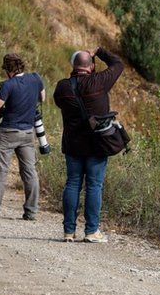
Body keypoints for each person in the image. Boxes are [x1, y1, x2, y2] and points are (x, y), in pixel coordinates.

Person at [53, 46, 124, 243]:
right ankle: (92, 231)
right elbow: (118, 64)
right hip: (97, 144)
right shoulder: (99, 82)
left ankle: (69, 232)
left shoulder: (62, 87)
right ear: (91, 67)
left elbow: (60, 103)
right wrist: (99, 51)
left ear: (73, 66)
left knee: (73, 183)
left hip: (73, 144)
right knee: (94, 185)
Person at [0, 54, 45, 221]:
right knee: (30, 173)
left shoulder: (8, 85)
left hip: (8, 133)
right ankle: (31, 211)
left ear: (8, 70)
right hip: (28, 133)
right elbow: (43, 98)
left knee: (1, 171)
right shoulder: (35, 78)